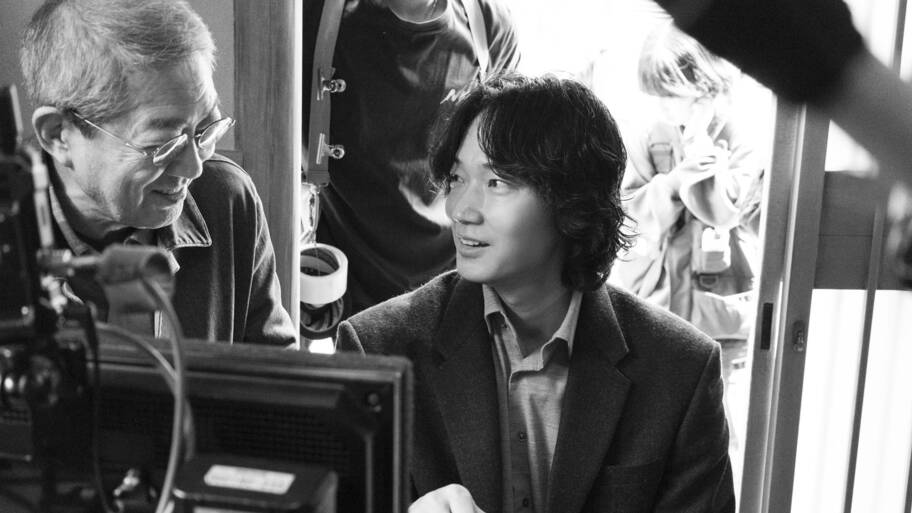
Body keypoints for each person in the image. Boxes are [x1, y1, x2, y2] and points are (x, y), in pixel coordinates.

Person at [337, 72, 734, 513]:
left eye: (497, 182)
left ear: (571, 200)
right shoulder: (377, 349)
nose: (460, 210)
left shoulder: (680, 369)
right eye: (456, 178)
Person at [20, 0, 296, 345]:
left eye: (205, 129)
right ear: (58, 135)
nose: (194, 168)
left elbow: (275, 367)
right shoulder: (10, 239)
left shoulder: (226, 198)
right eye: (163, 144)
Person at [608, 23, 762, 474]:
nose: (663, 106)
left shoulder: (740, 136)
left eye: (671, 94)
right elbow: (626, 217)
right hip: (658, 309)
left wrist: (700, 158)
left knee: (723, 436)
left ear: (705, 87)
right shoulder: (647, 135)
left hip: (721, 315)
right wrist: (673, 183)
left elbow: (727, 211)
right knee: (653, 435)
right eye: (656, 95)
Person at [303, 0, 519, 315]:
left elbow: (505, 167)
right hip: (347, 281)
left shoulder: (489, 27)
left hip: (460, 280)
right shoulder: (309, 18)